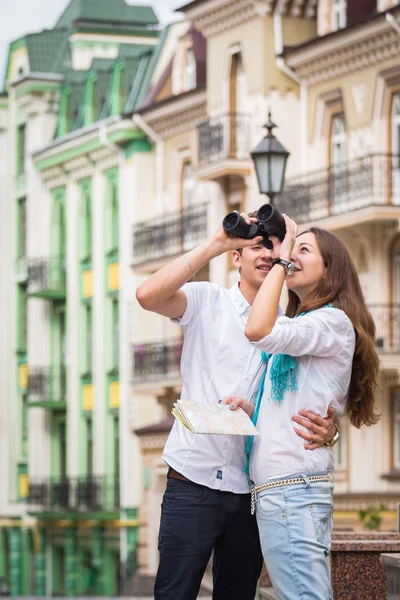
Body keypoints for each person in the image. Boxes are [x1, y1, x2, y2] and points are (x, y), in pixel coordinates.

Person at [136, 212, 338, 600]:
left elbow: (311, 399)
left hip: (252, 492)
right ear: (236, 258)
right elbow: (147, 295)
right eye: (257, 244)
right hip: (192, 481)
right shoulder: (207, 300)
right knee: (174, 593)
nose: (267, 252)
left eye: (277, 245)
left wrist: (332, 427)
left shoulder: (289, 329)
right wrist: (218, 242)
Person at [222, 216, 380, 600]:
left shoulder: (330, 322)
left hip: (293, 488)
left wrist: (279, 261)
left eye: (302, 250)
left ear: (331, 269)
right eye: (291, 251)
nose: (290, 256)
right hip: (284, 488)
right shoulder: (308, 324)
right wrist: (251, 409)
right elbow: (292, 402)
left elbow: (257, 331)